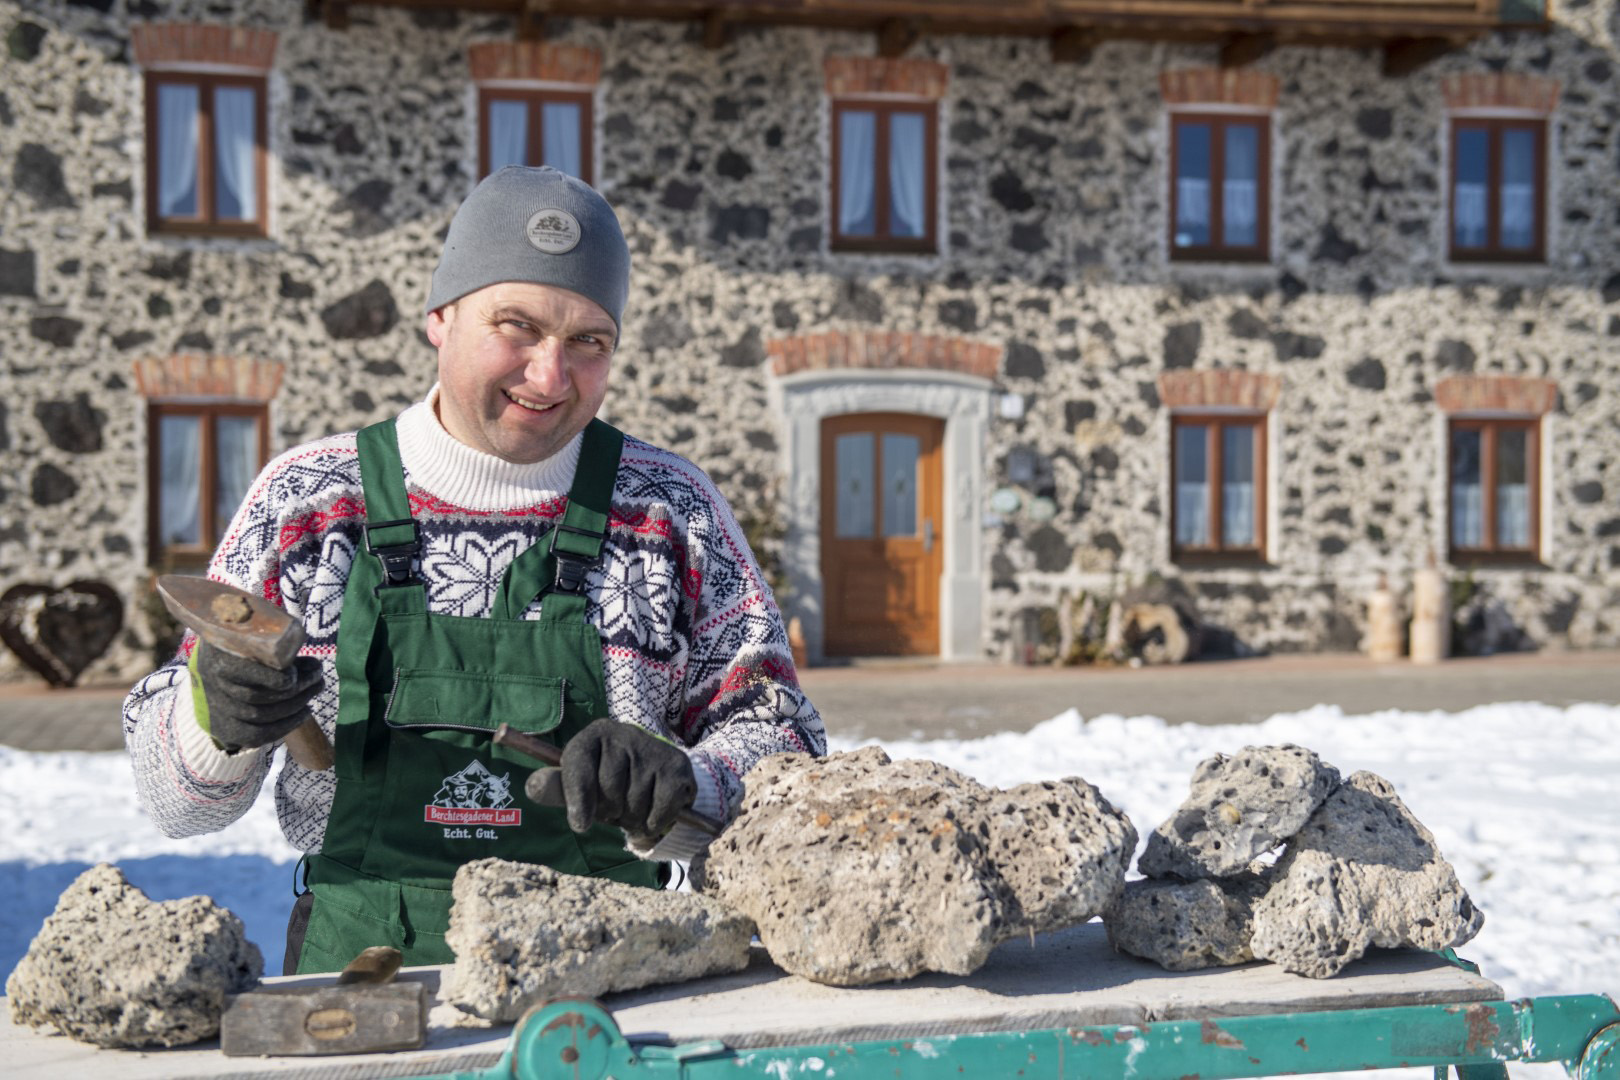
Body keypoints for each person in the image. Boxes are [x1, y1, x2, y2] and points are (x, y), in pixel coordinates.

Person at [123, 166, 825, 974]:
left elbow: (786, 749)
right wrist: (218, 721)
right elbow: (175, 807)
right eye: (517, 327)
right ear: (440, 318)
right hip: (358, 981)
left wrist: (686, 782)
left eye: (589, 342)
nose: (549, 376)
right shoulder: (311, 504)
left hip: (609, 981)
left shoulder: (670, 511)